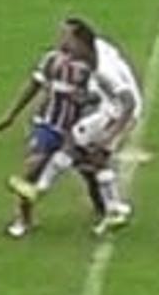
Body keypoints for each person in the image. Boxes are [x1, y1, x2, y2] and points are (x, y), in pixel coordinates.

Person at [9, 17, 141, 236]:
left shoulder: (102, 69)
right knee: (95, 159)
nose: (61, 42)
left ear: (80, 42)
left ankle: (38, 190)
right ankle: (114, 209)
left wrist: (111, 135)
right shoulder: (93, 51)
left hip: (117, 112)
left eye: (66, 38)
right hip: (111, 108)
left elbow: (128, 102)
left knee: (73, 143)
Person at [0, 32, 95, 239]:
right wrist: (10, 115)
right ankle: (23, 219)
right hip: (47, 125)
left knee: (90, 170)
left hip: (76, 129)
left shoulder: (90, 68)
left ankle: (103, 209)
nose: (62, 39)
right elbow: (33, 86)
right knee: (31, 169)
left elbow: (99, 98)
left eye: (68, 36)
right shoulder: (51, 60)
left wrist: (85, 100)